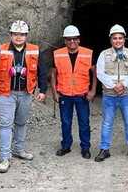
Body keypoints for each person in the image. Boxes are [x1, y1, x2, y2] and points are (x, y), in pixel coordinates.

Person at [0, 20, 48, 173]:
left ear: (26, 35)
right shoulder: (1, 50)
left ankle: (19, 150)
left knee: (21, 122)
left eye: (22, 34)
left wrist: (42, 90)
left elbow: (42, 71)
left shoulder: (34, 50)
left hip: (26, 93)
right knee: (6, 125)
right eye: (16, 34)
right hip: (6, 93)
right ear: (11, 35)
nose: (19, 37)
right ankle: (5, 158)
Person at [47, 25, 97, 159]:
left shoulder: (88, 53)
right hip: (64, 94)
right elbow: (52, 74)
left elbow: (95, 72)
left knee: (84, 122)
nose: (72, 42)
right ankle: (66, 146)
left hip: (82, 95)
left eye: (75, 39)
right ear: (65, 40)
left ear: (79, 39)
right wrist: (54, 92)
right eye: (69, 39)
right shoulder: (57, 54)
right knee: (66, 122)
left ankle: (85, 148)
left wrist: (93, 90)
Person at [94, 24, 128, 162]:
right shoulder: (104, 54)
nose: (118, 41)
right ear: (110, 39)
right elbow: (100, 73)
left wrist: (123, 84)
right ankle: (104, 149)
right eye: (115, 38)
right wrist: (113, 85)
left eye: (120, 38)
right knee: (107, 122)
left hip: (126, 94)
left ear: (124, 39)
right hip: (109, 95)